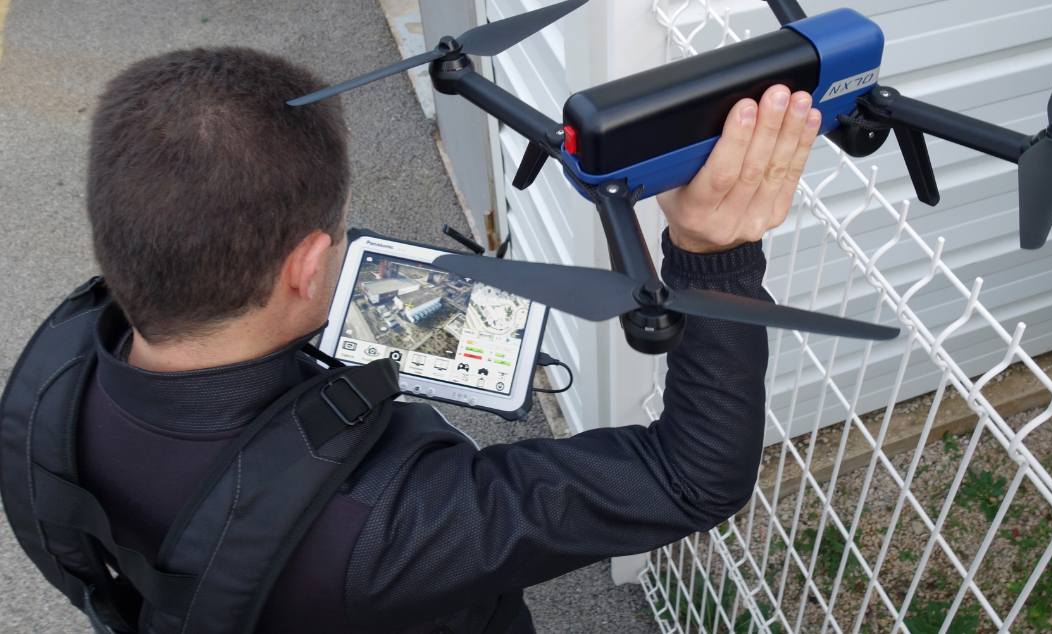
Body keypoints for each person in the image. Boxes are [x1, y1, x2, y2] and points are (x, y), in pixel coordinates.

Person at [50, 46, 822, 632]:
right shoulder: (398, 525)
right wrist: (714, 256)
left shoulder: (54, 383)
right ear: (310, 265)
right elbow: (692, 477)